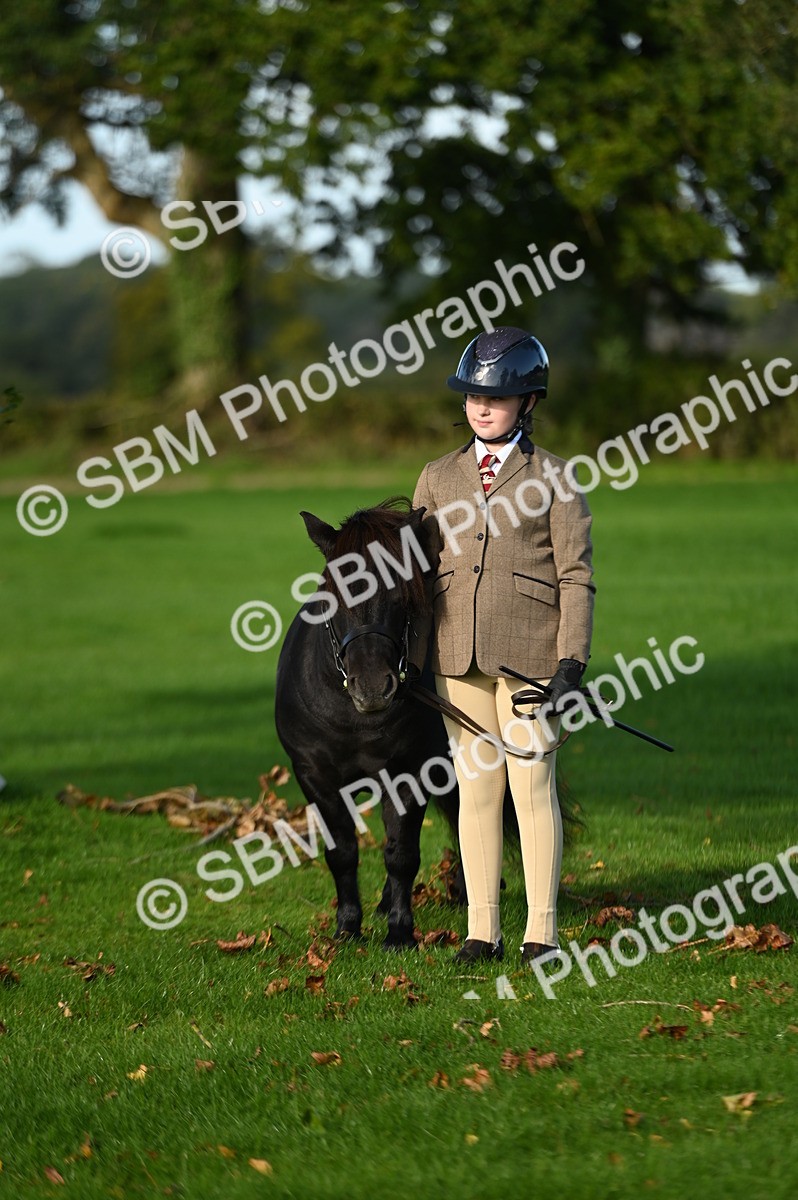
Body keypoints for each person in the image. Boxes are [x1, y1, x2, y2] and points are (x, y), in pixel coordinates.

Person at [411, 326, 595, 965]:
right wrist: (413, 658)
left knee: (532, 786)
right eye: (471, 398)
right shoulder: (436, 478)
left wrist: (571, 663)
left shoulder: (554, 477)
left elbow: (575, 575)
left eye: (496, 398)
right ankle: (481, 930)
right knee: (477, 791)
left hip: (532, 661)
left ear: (529, 403)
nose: (480, 408)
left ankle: (541, 931)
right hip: (457, 658)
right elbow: (419, 577)